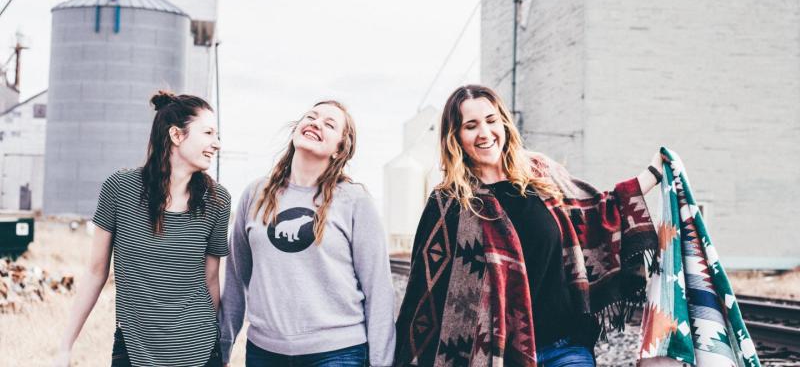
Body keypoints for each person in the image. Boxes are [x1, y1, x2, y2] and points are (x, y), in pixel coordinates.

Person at [395, 85, 661, 367]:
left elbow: (598, 210)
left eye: (491, 120)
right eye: (471, 126)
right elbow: (426, 291)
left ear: (503, 123)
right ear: (456, 137)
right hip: (498, 357)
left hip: (564, 346)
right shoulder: (449, 202)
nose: (484, 133)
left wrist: (653, 174)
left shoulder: (540, 174)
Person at [55, 91, 231, 367]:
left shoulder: (218, 201)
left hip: (199, 349)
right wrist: (65, 347)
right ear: (176, 135)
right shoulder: (120, 188)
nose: (216, 144)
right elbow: (95, 272)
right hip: (134, 349)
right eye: (208, 133)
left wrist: (219, 349)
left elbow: (211, 281)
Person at [219, 100, 396, 367]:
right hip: (264, 352)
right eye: (311, 116)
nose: (316, 123)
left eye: (329, 124)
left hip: (338, 352)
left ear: (340, 148)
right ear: (296, 131)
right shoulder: (255, 194)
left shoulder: (354, 201)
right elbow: (235, 278)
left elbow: (379, 289)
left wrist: (382, 363)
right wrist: (223, 349)